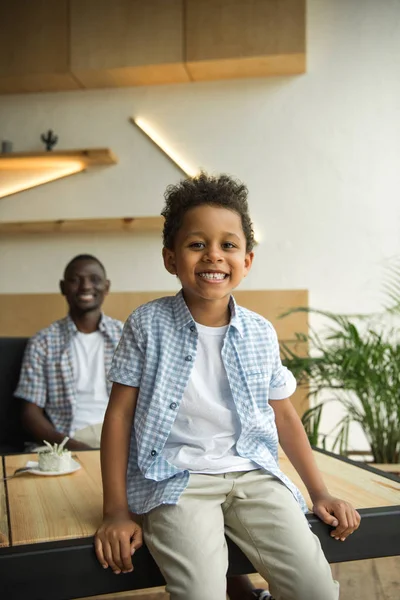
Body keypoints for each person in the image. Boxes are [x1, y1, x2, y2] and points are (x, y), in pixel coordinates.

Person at [94, 174, 361, 600]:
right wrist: (116, 512)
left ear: (247, 261)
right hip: (177, 480)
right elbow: (119, 415)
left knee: (317, 591)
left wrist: (320, 491)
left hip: (253, 475)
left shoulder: (260, 332)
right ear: (170, 258)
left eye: (228, 245)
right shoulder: (146, 324)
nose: (213, 256)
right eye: (197, 244)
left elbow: (284, 415)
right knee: (201, 593)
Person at [15, 254, 123, 451]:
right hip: (66, 441)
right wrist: (72, 446)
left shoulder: (126, 336)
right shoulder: (43, 341)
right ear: (63, 287)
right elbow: (30, 414)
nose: (85, 287)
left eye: (95, 280)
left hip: (119, 437)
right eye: (75, 280)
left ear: (106, 287)